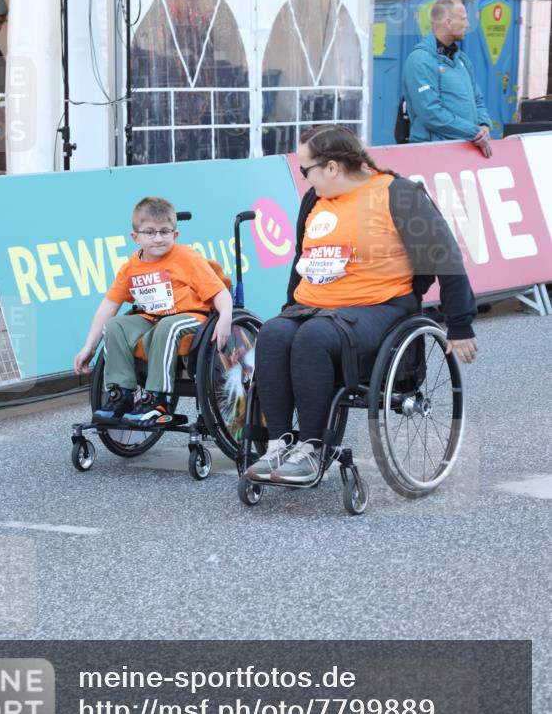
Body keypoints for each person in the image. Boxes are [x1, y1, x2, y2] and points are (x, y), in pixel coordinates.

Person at [246, 124, 478, 485]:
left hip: (379, 305)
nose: (305, 178)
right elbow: (301, 260)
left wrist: (460, 324)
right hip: (315, 305)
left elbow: (444, 254)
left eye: (306, 170)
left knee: (314, 337)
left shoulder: (398, 194)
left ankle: (312, 449)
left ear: (332, 167)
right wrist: (289, 309)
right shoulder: (314, 200)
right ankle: (278, 444)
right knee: (274, 333)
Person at [74, 196, 233, 426]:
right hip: (152, 319)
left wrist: (225, 317)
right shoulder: (131, 266)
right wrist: (89, 347)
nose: (158, 238)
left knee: (167, 327)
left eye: (164, 232)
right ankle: (121, 394)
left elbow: (220, 292)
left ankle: (157, 400)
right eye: (149, 232)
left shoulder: (187, 257)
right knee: (115, 325)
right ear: (135, 237)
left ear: (175, 234)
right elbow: (109, 305)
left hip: (191, 317)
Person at [402, 0, 493, 158]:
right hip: (434, 154)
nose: (468, 24)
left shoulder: (462, 59)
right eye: (463, 19)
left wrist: (484, 125)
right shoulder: (420, 60)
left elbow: (478, 100)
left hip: (466, 149)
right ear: (448, 22)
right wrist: (474, 132)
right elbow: (430, 113)